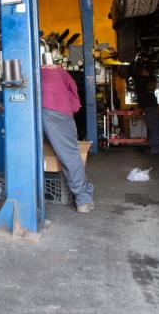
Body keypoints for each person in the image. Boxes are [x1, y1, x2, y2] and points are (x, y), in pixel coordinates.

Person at [41, 65, 95, 213]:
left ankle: (24, 195)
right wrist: (70, 110)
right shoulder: (59, 70)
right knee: (69, 154)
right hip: (56, 107)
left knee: (29, 152)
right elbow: (75, 100)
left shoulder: (27, 66)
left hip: (27, 106)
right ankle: (83, 200)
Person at [134, 67, 159, 154]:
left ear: (147, 72)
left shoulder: (145, 80)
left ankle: (156, 149)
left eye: (143, 70)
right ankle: (153, 147)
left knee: (153, 128)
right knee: (152, 128)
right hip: (151, 107)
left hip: (151, 107)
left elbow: (138, 82)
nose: (142, 72)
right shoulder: (150, 79)